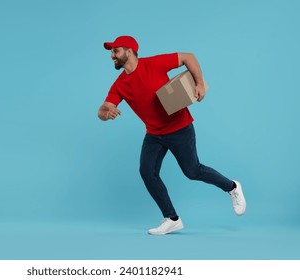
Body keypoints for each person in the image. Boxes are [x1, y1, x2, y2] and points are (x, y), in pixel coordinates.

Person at [98, 35, 246, 235]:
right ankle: (172, 218)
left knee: (192, 171)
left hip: (179, 127)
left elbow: (188, 57)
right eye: (111, 52)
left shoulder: (153, 64)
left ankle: (232, 186)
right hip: (154, 134)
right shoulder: (120, 84)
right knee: (147, 172)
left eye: (115, 51)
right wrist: (106, 113)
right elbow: (105, 107)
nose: (112, 56)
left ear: (129, 51)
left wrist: (200, 83)